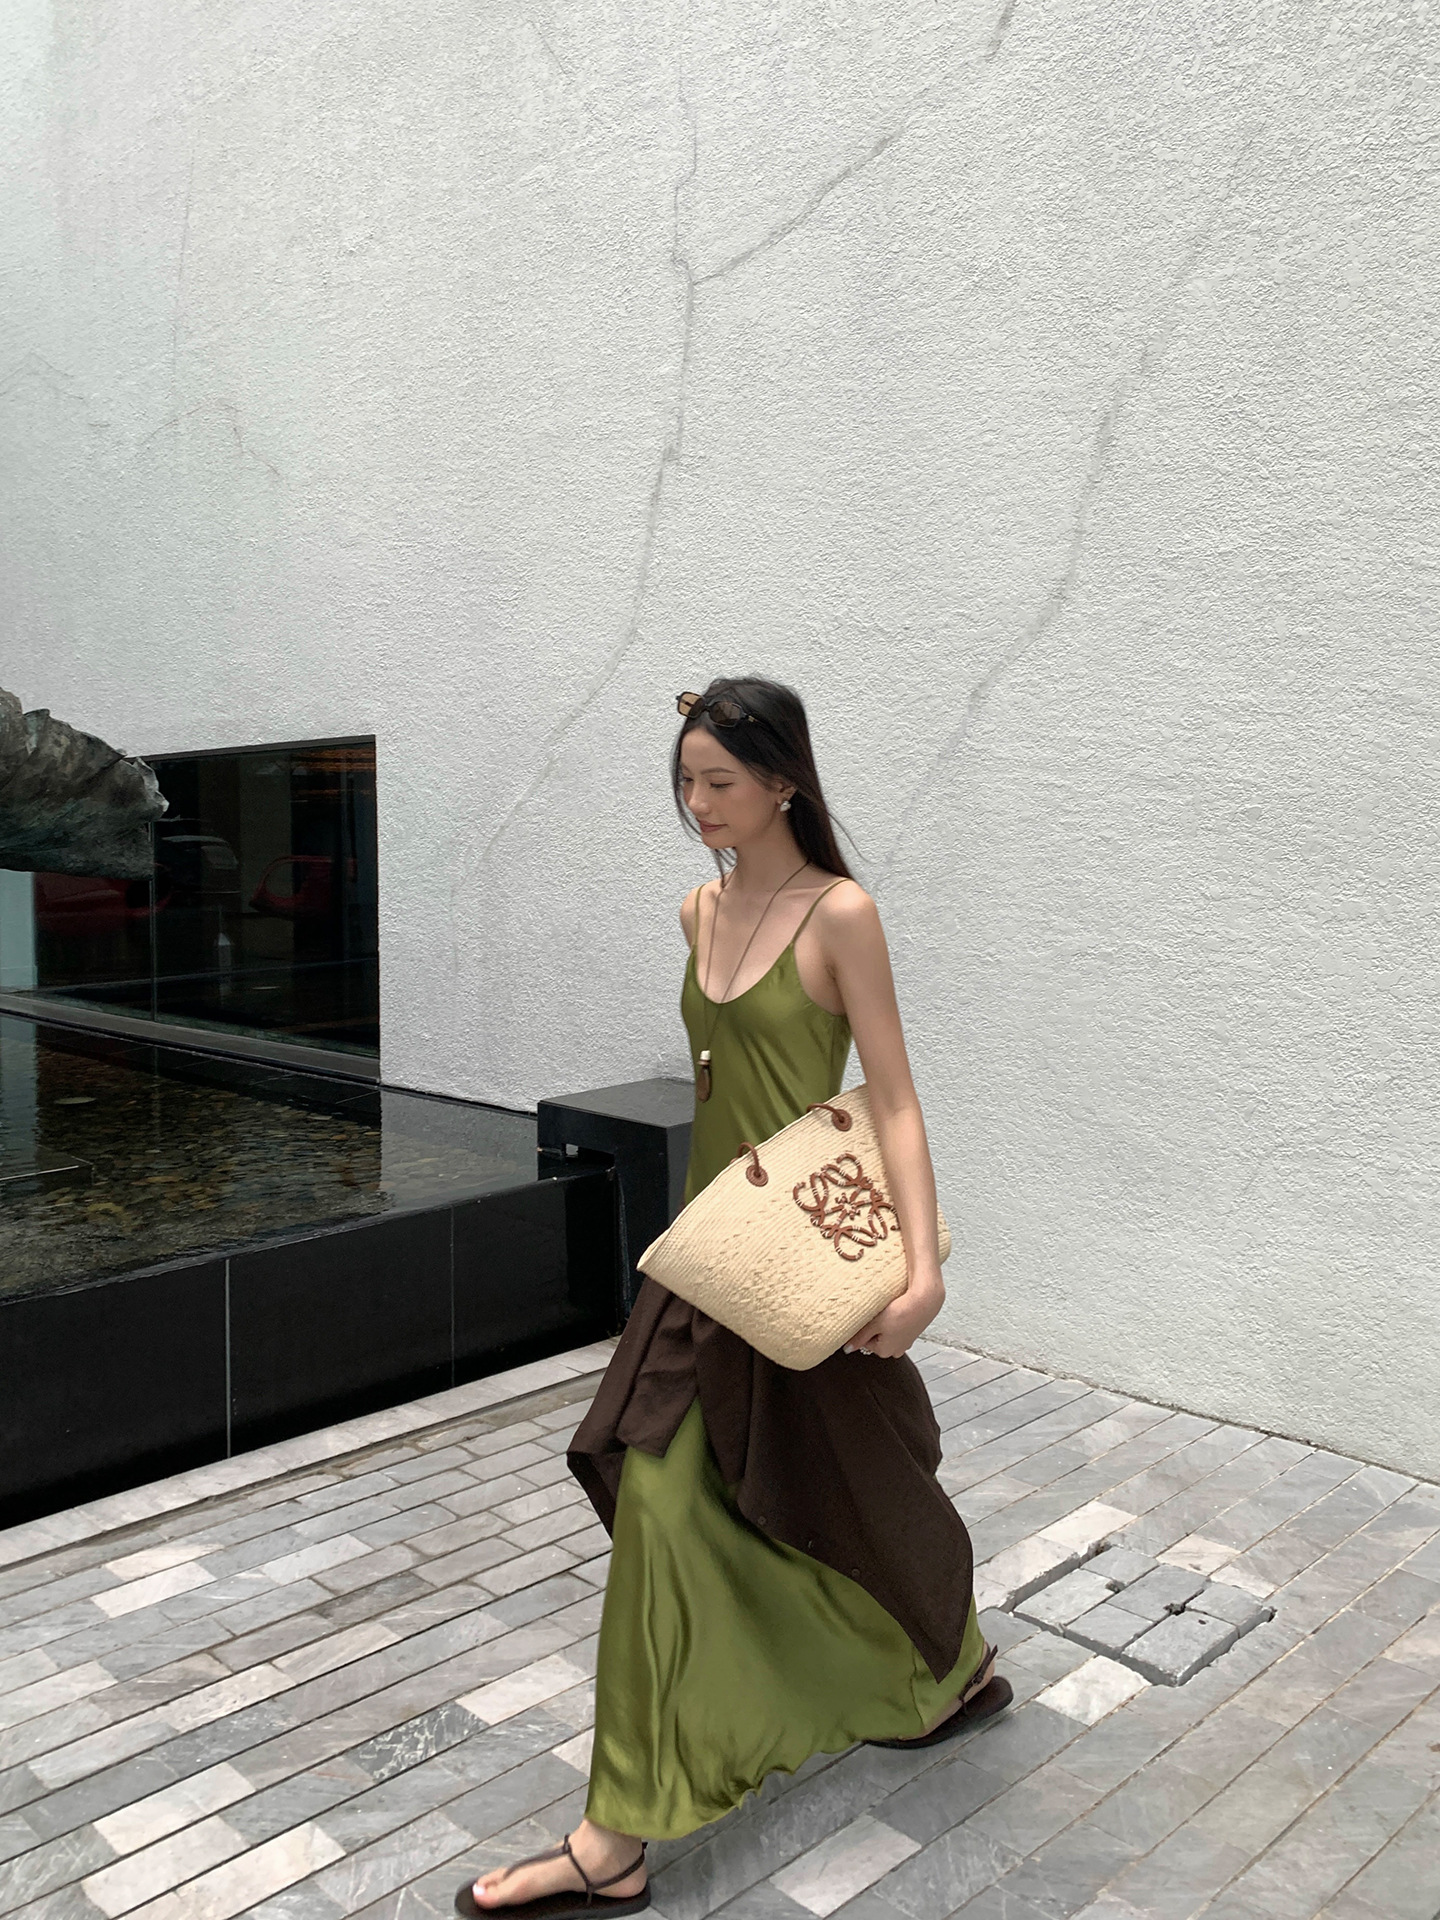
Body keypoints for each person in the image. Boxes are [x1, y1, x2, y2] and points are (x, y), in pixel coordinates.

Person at [456, 677, 1009, 1920]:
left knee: (842, 1492)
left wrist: (923, 1273)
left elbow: (894, 1097)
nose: (697, 803)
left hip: (803, 1266)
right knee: (671, 1494)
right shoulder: (698, 908)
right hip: (713, 1261)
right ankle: (626, 1830)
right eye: (685, 782)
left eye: (719, 781)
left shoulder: (841, 914)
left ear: (783, 781)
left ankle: (938, 1675)